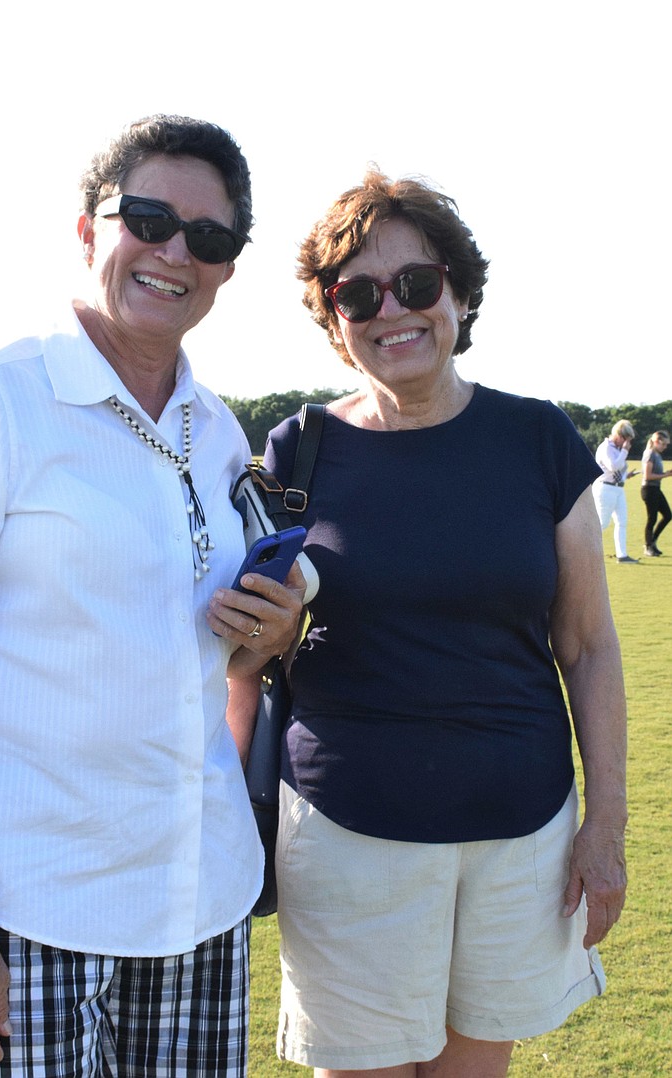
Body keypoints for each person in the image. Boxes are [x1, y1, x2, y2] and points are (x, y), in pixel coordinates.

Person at [0, 114, 305, 1078]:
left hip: (198, 898)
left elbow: (216, 661)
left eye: (210, 238)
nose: (174, 251)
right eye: (147, 217)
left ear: (228, 268)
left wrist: (269, 634)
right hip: (19, 908)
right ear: (88, 229)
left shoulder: (218, 430)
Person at [233, 171, 627, 1077]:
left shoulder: (538, 438)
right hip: (346, 830)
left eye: (416, 283)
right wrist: (272, 627)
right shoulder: (299, 447)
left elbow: (590, 645)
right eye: (358, 293)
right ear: (333, 319)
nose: (391, 310)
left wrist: (603, 827)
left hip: (520, 834)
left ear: (458, 291)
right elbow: (257, 652)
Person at [592, 420, 640, 563]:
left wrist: (627, 475)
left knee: (622, 522)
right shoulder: (606, 447)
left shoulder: (617, 449)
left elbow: (618, 469)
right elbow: (613, 466)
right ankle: (585, 550)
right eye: (626, 440)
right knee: (602, 523)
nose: (627, 444)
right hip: (605, 489)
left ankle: (622, 555)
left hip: (618, 489)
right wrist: (625, 451)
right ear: (619, 435)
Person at [640, 430, 672, 556]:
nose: (665, 447)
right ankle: (648, 546)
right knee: (652, 518)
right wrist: (665, 475)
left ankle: (652, 541)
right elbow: (647, 476)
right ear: (657, 442)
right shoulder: (650, 454)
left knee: (668, 515)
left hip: (656, 489)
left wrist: (665, 474)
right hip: (649, 489)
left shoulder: (657, 455)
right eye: (663, 444)